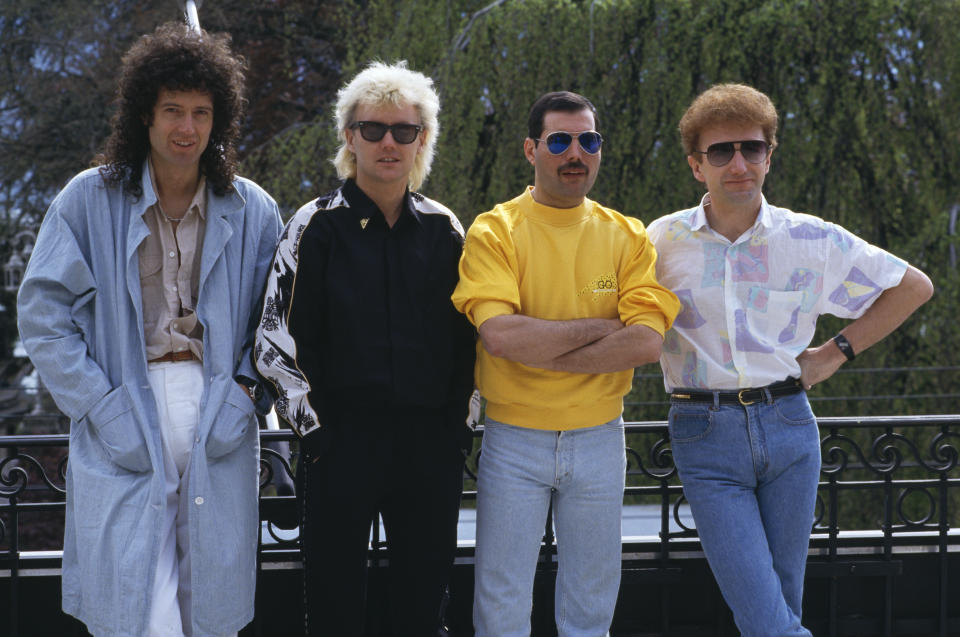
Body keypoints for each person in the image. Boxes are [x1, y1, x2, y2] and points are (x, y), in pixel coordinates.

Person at [17, 23, 282, 637]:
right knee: (135, 598)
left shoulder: (254, 209)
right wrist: (99, 406)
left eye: (200, 112)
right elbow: (43, 317)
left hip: (218, 405)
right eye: (171, 111)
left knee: (209, 598)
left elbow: (279, 327)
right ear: (144, 115)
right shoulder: (87, 199)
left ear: (219, 120)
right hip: (125, 400)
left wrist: (247, 395)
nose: (186, 128)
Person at [647, 83, 934, 636]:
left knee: (781, 608)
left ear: (769, 157)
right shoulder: (661, 241)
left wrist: (833, 353)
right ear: (695, 165)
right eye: (720, 151)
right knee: (766, 617)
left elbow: (913, 287)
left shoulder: (811, 240)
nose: (738, 163)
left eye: (752, 149)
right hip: (704, 435)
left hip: (790, 429)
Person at [253, 60, 475, 636]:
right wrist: (317, 436)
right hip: (339, 446)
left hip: (430, 447)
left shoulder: (446, 229)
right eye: (372, 128)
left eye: (405, 130)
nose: (388, 142)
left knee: (423, 608)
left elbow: (474, 338)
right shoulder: (312, 225)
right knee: (333, 609)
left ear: (422, 140)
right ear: (349, 137)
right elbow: (275, 341)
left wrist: (457, 430)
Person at [452, 91, 681, 637]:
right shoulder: (495, 230)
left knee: (591, 601)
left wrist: (543, 349)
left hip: (600, 438)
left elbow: (647, 343)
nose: (575, 153)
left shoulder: (627, 235)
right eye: (559, 141)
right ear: (531, 150)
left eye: (588, 140)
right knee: (502, 600)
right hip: (514, 440)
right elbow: (501, 338)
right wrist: (601, 330)